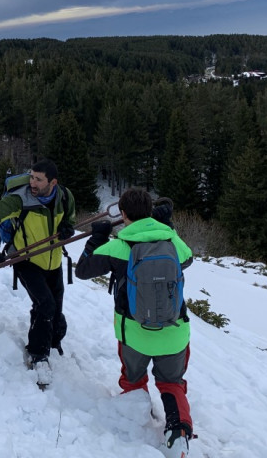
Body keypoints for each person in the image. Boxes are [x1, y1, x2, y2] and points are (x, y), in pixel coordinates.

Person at [75, 188, 193, 456]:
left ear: (124, 214)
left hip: (133, 334)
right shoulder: (172, 241)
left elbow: (82, 270)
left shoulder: (118, 246)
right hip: (174, 332)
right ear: (151, 212)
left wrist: (96, 237)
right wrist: (167, 225)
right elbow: (188, 259)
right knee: (172, 383)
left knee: (133, 378)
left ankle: (134, 416)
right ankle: (178, 434)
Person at [0, 159, 76, 384]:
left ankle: (51, 341)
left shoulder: (65, 197)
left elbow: (70, 219)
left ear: (53, 182)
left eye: (38, 179)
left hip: (54, 262)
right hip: (26, 259)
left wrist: (67, 228)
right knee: (46, 305)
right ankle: (38, 355)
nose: (33, 182)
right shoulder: (20, 199)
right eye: (31, 177)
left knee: (54, 310)